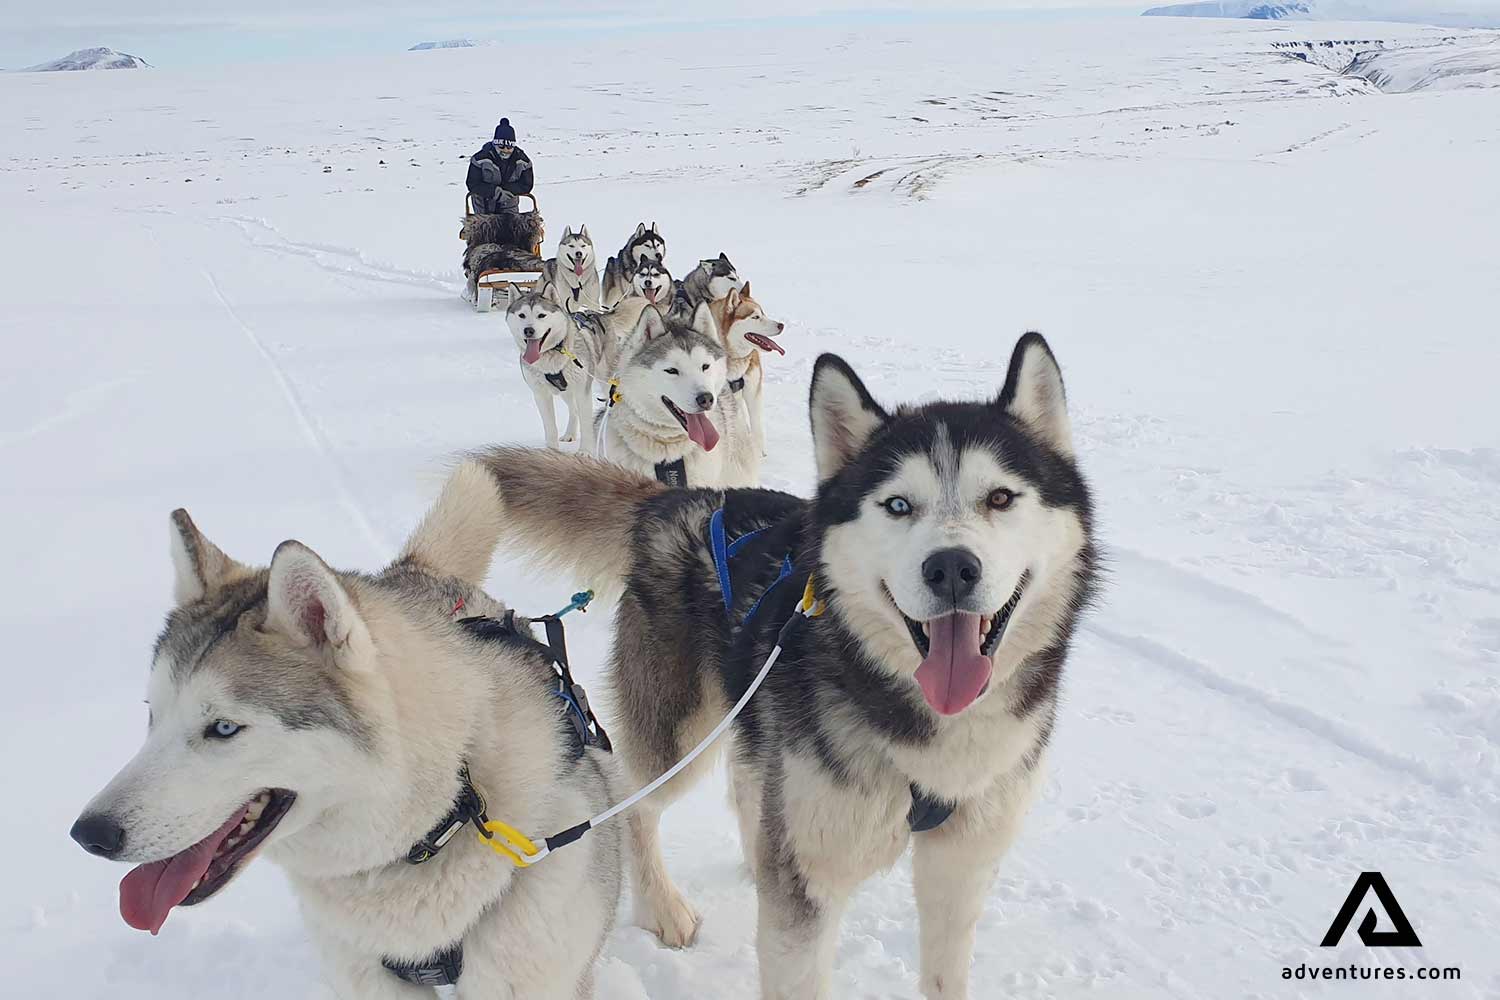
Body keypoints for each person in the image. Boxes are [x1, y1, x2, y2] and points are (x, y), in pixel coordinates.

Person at [466, 118, 533, 215]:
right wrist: (494, 192)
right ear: (495, 144)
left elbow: (527, 184)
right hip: (483, 207)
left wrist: (507, 190)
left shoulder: (523, 162)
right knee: (485, 229)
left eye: (509, 147)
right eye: (501, 146)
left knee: (511, 229)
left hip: (509, 206)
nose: (505, 150)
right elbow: (472, 183)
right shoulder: (480, 159)